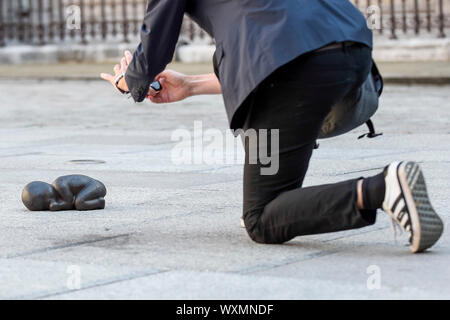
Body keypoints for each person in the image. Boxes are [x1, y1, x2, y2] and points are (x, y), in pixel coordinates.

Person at [101, 0, 443, 253]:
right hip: (349, 47)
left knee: (262, 219)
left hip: (289, 71)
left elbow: (156, 43)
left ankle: (383, 188)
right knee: (273, 181)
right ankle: (282, 199)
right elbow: (271, 42)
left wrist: (130, 81)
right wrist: (190, 85)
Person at [22, 175, 107, 211]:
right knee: (79, 201)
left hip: (96, 186)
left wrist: (57, 206)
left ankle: (99, 202)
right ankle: (93, 200)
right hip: (91, 187)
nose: (50, 202)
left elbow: (69, 202)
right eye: (45, 205)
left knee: (80, 203)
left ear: (46, 186)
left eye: (47, 197)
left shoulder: (59, 184)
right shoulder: (57, 192)